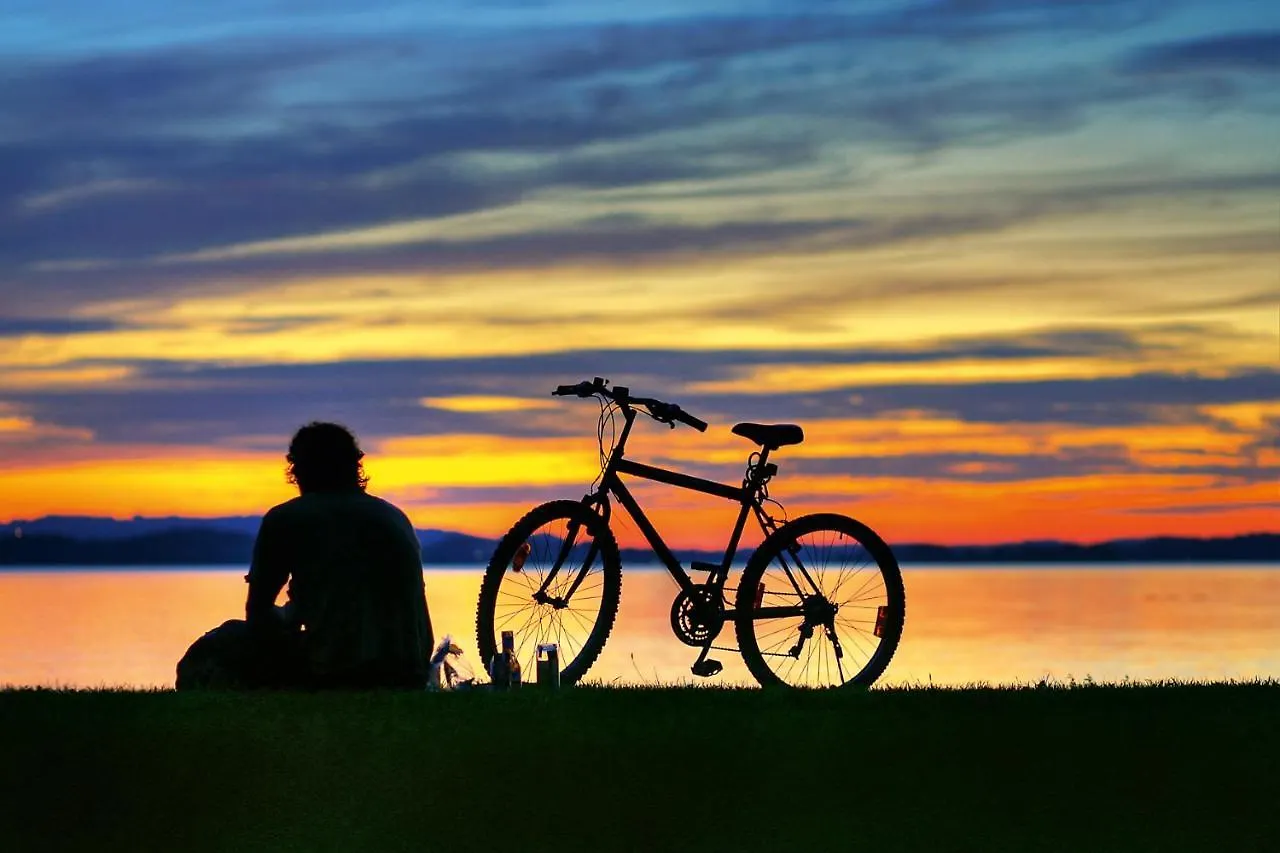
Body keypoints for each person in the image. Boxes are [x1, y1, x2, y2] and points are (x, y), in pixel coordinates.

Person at [177, 422, 434, 690]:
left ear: (297, 468)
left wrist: (283, 625)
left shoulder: (288, 518)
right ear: (355, 465)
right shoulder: (392, 515)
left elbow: (258, 611)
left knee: (221, 642)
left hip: (338, 672)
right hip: (409, 672)